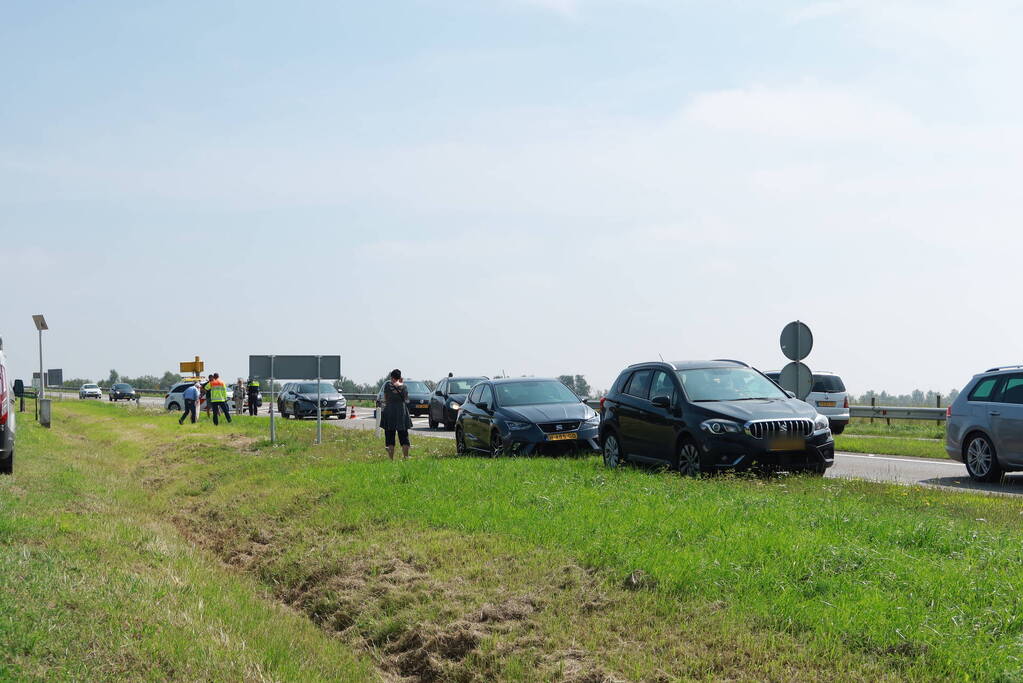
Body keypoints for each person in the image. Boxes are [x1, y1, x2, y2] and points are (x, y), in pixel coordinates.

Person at [380, 368, 412, 460]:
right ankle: (406, 457)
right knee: (404, 436)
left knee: (390, 435)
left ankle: (391, 459)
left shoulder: (387, 386)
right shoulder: (404, 387)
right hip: (401, 412)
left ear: (392, 377)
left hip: (390, 412)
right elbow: (406, 399)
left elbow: (386, 398)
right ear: (400, 377)